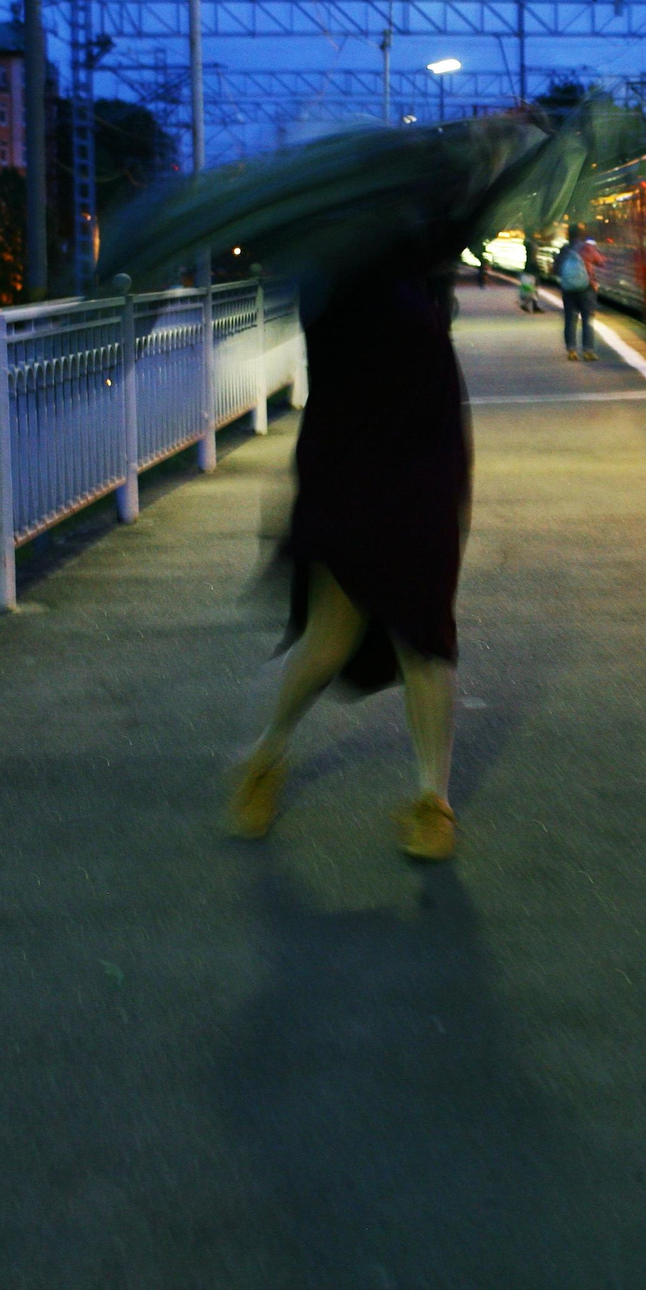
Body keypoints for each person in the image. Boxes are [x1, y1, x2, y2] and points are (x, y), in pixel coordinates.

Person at [227, 233, 470, 861]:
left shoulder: (412, 256)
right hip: (352, 467)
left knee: (425, 634)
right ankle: (266, 756)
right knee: (333, 634)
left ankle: (431, 801)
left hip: (426, 463)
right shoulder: (332, 271)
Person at [554, 229, 605, 361]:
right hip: (587, 289)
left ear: (568, 235)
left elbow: (556, 269)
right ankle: (588, 351)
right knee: (587, 320)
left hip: (568, 290)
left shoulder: (564, 250)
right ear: (581, 236)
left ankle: (571, 351)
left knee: (570, 320)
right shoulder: (587, 248)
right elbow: (600, 262)